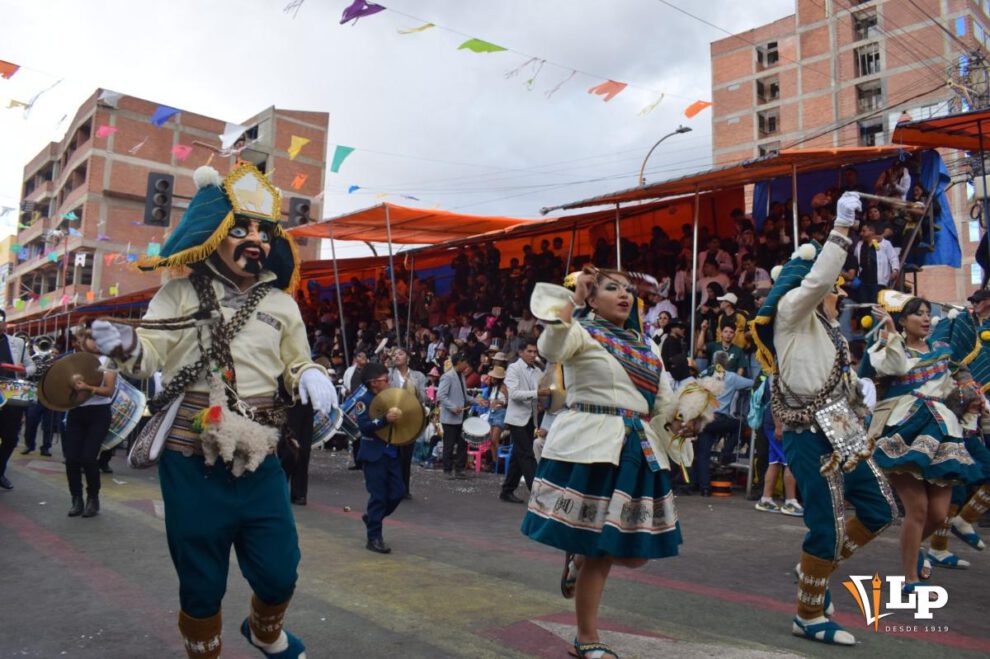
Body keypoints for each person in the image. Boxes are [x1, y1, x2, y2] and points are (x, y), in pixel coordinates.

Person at [88, 163, 336, 659]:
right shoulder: (176, 293)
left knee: (279, 567)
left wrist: (310, 373)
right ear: (213, 233)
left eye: (264, 232)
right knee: (200, 578)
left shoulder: (282, 303)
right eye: (241, 229)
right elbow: (151, 356)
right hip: (190, 452)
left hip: (261, 451)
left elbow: (296, 360)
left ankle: (264, 632)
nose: (255, 241)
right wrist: (127, 346)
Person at [521, 268, 696, 659]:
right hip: (592, 445)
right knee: (604, 550)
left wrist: (686, 419)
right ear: (592, 298)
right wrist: (571, 305)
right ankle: (587, 637)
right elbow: (552, 347)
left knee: (636, 554)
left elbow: (663, 402)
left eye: (629, 290)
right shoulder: (581, 330)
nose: (624, 295)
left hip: (637, 448)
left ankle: (578, 557)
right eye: (612, 288)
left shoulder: (647, 346)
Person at [750, 191, 898, 646]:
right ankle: (808, 614)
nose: (838, 292)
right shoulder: (792, 312)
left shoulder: (828, 329)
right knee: (826, 524)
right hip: (806, 433)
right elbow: (816, 282)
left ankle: (815, 567)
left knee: (881, 509)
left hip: (843, 429)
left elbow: (847, 379)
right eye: (834, 287)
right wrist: (841, 228)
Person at [864, 296, 982, 593]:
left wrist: (969, 397)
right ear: (903, 320)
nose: (926, 319)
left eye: (928, 314)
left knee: (940, 514)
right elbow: (895, 366)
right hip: (905, 429)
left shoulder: (943, 352)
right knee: (917, 510)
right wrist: (890, 332)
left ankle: (912, 547)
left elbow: (951, 387)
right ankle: (909, 578)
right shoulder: (887, 347)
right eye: (918, 314)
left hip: (941, 430)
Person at [354, 362, 406, 553]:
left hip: (391, 453)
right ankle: (374, 537)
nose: (389, 382)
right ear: (374, 382)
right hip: (373, 455)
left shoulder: (391, 398)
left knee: (398, 492)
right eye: (386, 379)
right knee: (378, 496)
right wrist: (384, 420)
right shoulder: (364, 401)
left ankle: (372, 518)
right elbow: (364, 426)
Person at [63, 338, 117, 518]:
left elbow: (108, 390)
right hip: (76, 412)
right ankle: (76, 499)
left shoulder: (108, 362)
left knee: (88, 458)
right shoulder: (75, 361)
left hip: (99, 413)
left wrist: (87, 387)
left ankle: (93, 499)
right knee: (71, 459)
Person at [693, 351, 754, 495]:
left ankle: (705, 488)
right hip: (721, 420)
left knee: (703, 453)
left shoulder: (705, 375)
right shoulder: (731, 377)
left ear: (713, 361)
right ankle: (726, 454)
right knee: (740, 425)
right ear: (727, 363)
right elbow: (752, 383)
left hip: (705, 420)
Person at [500, 338, 547, 503]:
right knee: (527, 454)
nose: (533, 355)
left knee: (517, 456)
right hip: (516, 419)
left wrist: (539, 402)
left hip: (530, 418)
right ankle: (536, 492)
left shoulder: (538, 372)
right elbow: (513, 394)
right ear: (521, 352)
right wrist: (537, 395)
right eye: (530, 351)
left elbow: (541, 391)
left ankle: (507, 490)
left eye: (535, 352)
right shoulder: (513, 368)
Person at [0, 309, 36, 490]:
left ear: (5, 324)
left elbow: (32, 367)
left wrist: (24, 370)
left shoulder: (18, 343)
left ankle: (0, 471)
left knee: (10, 438)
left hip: (12, 397)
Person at [388, 347, 427, 498]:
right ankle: (393, 486)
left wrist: (413, 387)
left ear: (408, 358)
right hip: (393, 419)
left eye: (400, 354)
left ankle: (404, 489)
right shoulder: (389, 375)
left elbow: (423, 397)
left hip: (411, 420)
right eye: (394, 354)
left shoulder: (418, 376)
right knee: (393, 455)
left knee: (406, 456)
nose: (396, 356)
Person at [437, 352, 470, 479]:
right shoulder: (448, 376)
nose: (467, 364)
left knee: (463, 443)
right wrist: (452, 407)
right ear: (459, 362)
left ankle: (459, 469)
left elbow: (464, 396)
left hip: (461, 415)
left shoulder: (461, 376)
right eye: (465, 361)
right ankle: (447, 469)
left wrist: (476, 400)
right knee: (449, 444)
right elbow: (441, 395)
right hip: (450, 417)